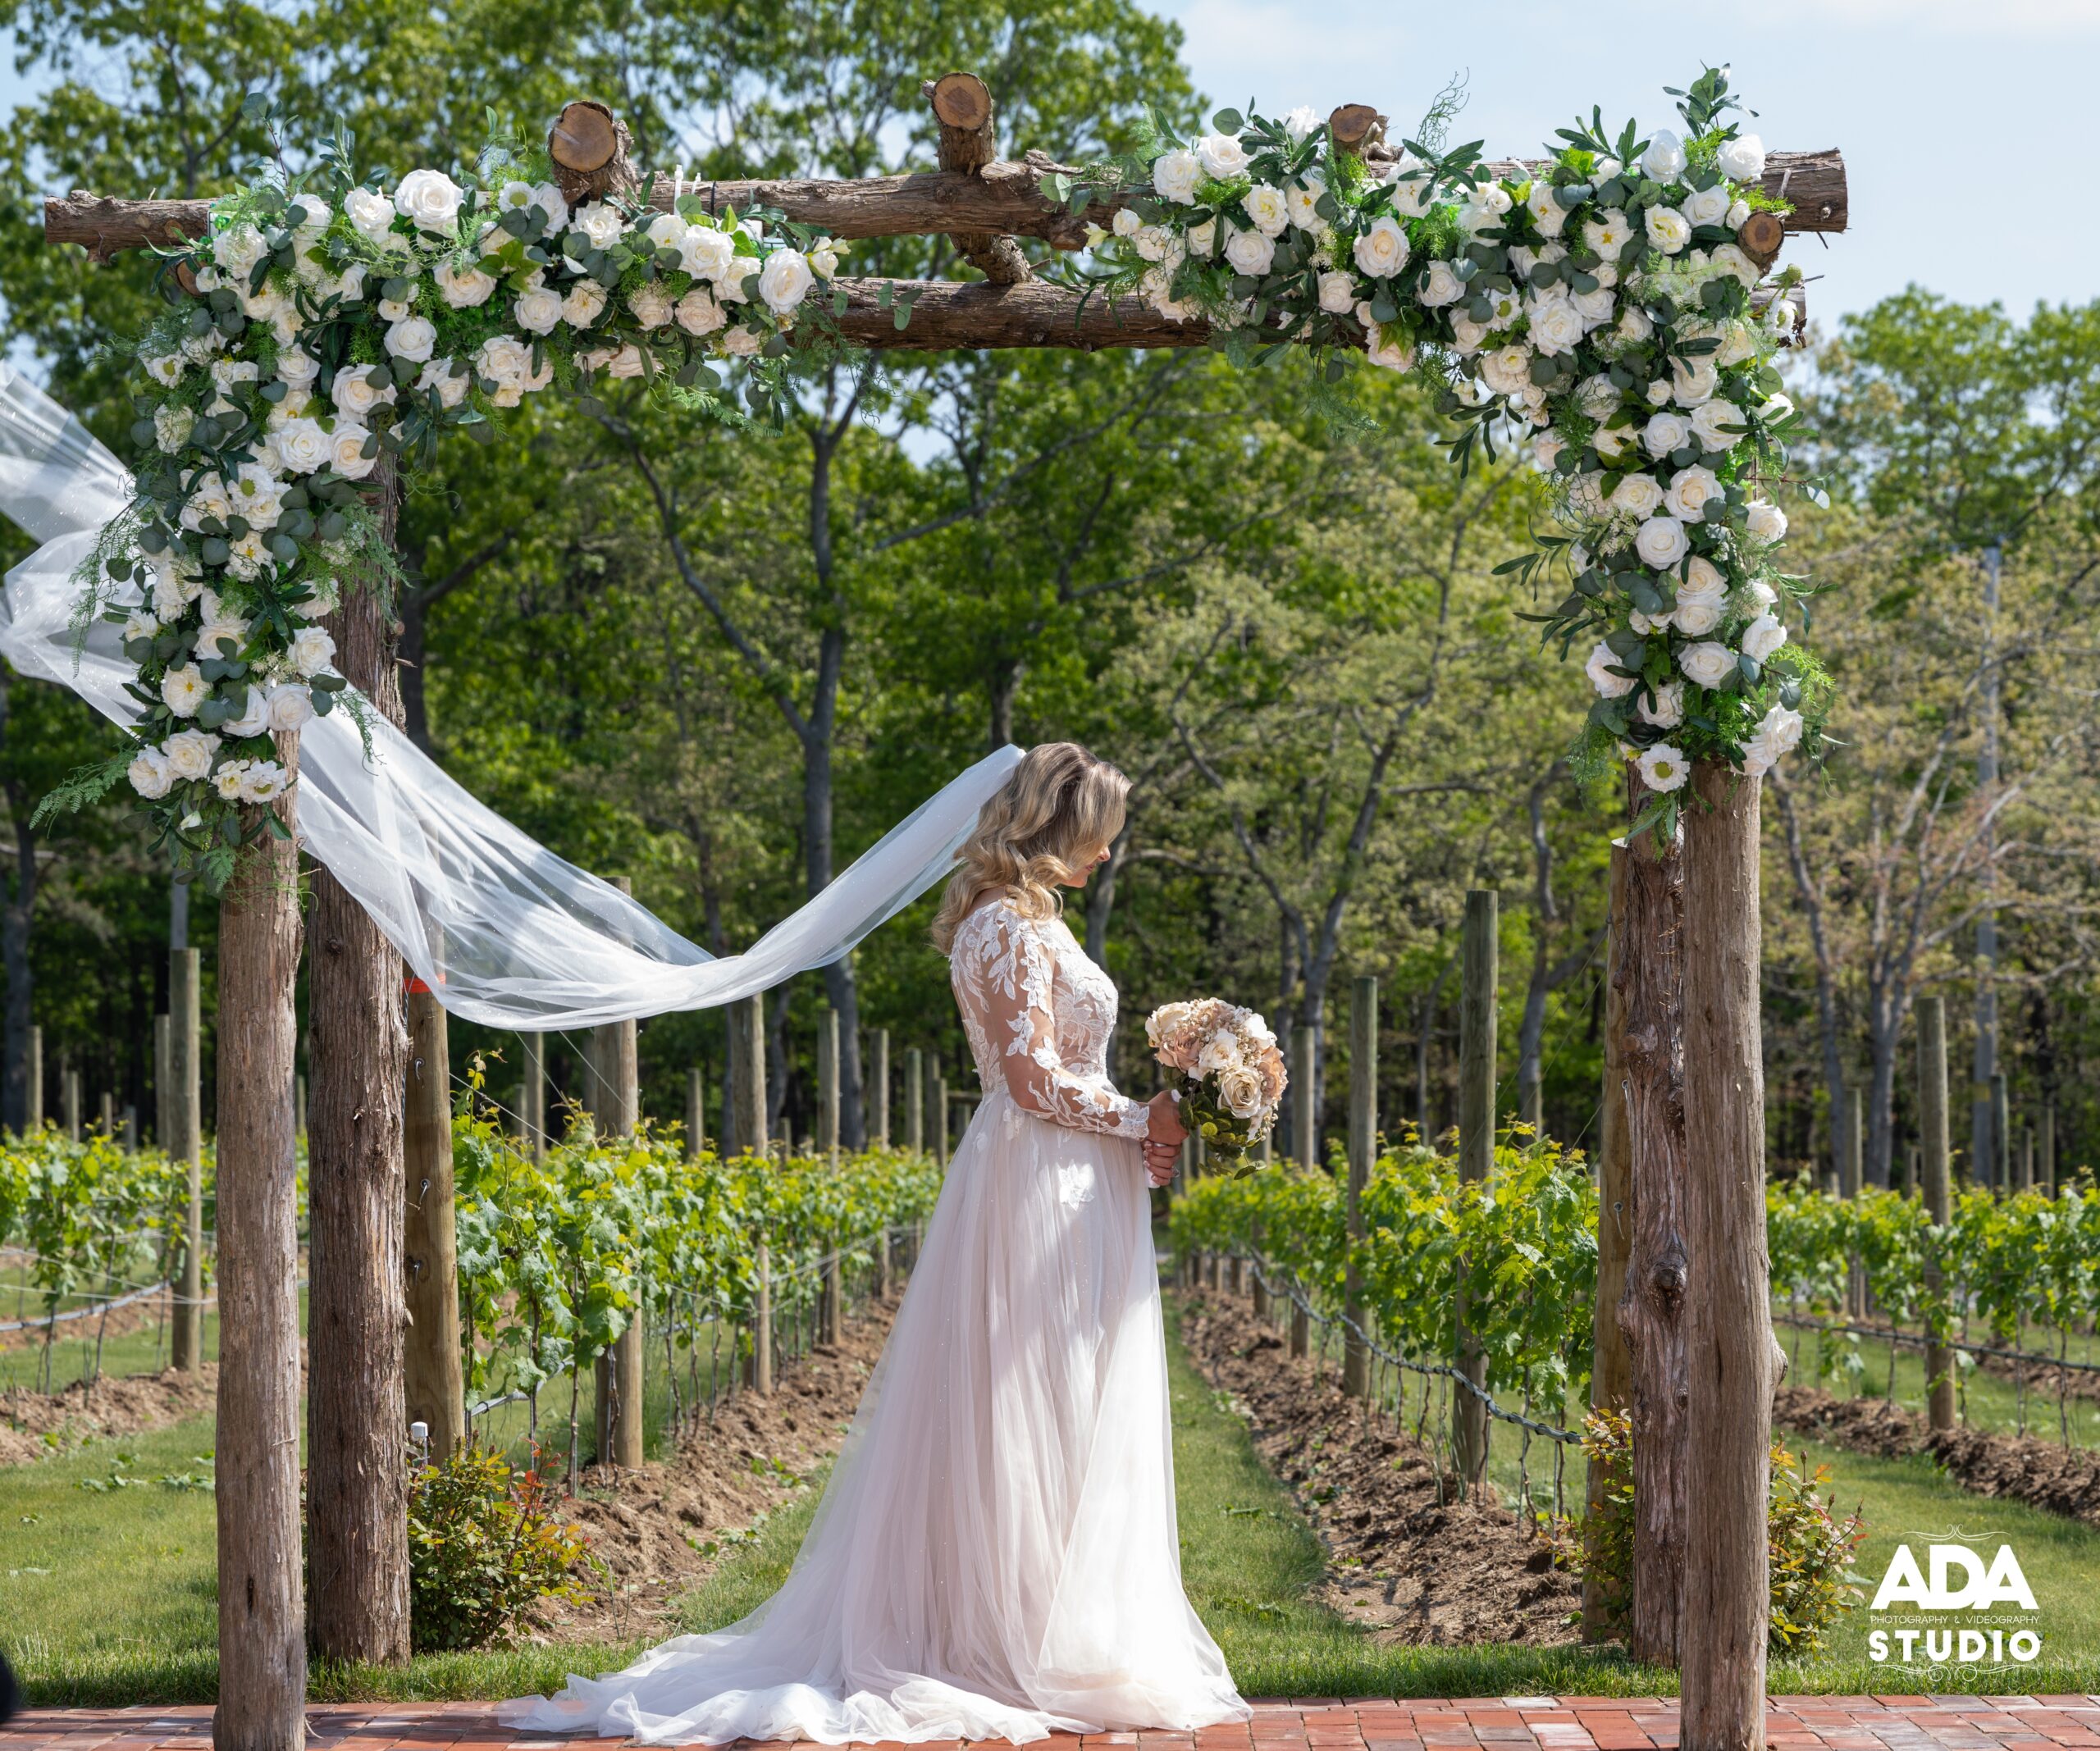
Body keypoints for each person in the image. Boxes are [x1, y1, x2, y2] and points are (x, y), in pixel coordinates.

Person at [504, 742, 1248, 1744]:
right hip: (1034, 1176)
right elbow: (1029, 1079)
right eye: (1099, 834)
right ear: (1054, 824)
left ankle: (1050, 1623)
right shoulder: (1004, 926)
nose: (1108, 853)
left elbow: (1068, 1073)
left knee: (1065, 1402)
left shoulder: (1034, 920)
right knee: (1023, 1402)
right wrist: (1138, 1117)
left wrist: (1144, 1128)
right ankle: (1000, 1636)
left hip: (1073, 1176)